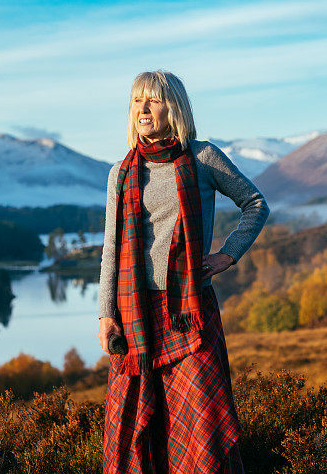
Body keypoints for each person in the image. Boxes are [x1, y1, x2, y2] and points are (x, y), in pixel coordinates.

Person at [98, 70, 270, 474]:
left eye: (153, 100)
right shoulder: (120, 174)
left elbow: (256, 204)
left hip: (190, 313)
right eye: (136, 101)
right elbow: (111, 247)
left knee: (203, 422)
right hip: (136, 315)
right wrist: (106, 314)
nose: (142, 109)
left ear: (173, 107)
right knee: (139, 427)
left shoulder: (203, 158)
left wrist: (229, 254)